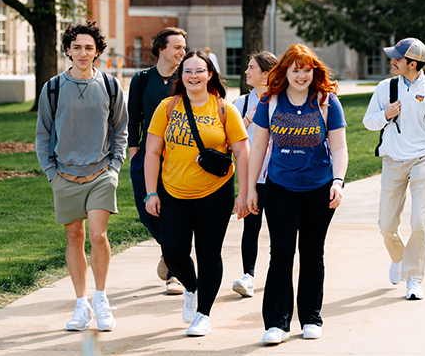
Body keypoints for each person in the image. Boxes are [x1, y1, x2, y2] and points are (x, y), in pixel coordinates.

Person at [144, 50, 250, 337]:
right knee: (173, 251)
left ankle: (204, 313)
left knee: (208, 252)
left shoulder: (224, 109)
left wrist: (243, 193)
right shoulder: (168, 107)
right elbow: (152, 151)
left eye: (199, 71)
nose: (193, 76)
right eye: (188, 71)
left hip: (215, 192)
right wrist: (151, 193)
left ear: (210, 74)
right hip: (174, 192)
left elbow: (241, 151)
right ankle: (191, 287)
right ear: (181, 76)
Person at [247, 44, 348, 345]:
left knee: (312, 253)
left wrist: (338, 181)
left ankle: (311, 317)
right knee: (281, 252)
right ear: (285, 71)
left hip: (319, 188)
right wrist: (251, 187)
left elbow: (340, 148)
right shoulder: (271, 101)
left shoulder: (327, 102)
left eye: (307, 70)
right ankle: (277, 323)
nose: (301, 75)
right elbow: (258, 148)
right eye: (296, 69)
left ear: (314, 72)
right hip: (280, 188)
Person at [35, 20, 128, 332]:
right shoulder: (52, 88)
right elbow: (43, 135)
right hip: (64, 175)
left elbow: (120, 131)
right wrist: (51, 173)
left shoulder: (111, 86)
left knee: (98, 235)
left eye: (89, 47)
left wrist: (115, 167)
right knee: (74, 237)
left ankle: (101, 299)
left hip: (102, 173)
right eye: (77, 47)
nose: (83, 52)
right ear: (67, 50)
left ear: (97, 51)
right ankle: (81, 303)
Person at [362, 38, 425, 301]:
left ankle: (414, 279)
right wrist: (386, 114)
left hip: (422, 162)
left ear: (413, 64)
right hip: (392, 162)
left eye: (398, 58)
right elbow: (368, 122)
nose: (393, 61)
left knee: (420, 222)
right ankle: (399, 258)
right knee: (386, 224)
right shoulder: (385, 88)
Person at [127, 27, 188, 294]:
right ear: (161, 48)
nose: (182, 52)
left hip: (176, 159)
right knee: (147, 214)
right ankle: (171, 251)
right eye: (177, 47)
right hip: (145, 157)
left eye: (183, 48)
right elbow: (133, 119)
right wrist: (133, 152)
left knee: (173, 215)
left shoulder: (186, 78)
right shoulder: (141, 80)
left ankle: (174, 273)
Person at [231, 51, 279, 298]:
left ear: (266, 73)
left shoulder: (282, 100)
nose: (247, 72)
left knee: (280, 229)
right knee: (251, 227)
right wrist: (249, 117)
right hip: (253, 178)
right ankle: (248, 276)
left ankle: (277, 275)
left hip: (279, 177)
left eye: (251, 68)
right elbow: (229, 140)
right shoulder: (242, 103)